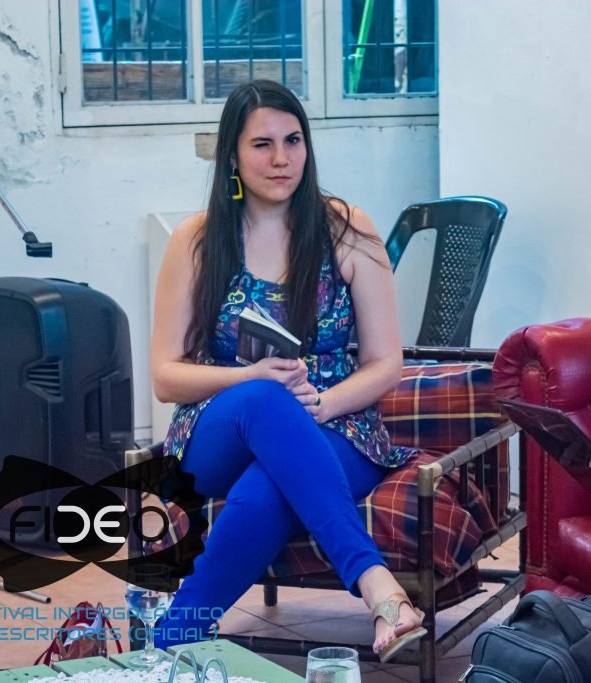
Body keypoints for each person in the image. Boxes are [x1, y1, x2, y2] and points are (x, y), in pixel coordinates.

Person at [148, 79, 426, 661]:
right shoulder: (197, 239)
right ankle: (377, 585)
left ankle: (173, 638)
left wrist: (323, 405)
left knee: (268, 490)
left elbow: (386, 364)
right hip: (220, 428)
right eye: (262, 144)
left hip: (337, 423)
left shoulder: (347, 229)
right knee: (264, 398)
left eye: (293, 140)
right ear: (232, 155)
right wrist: (248, 378)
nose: (281, 158)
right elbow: (166, 376)